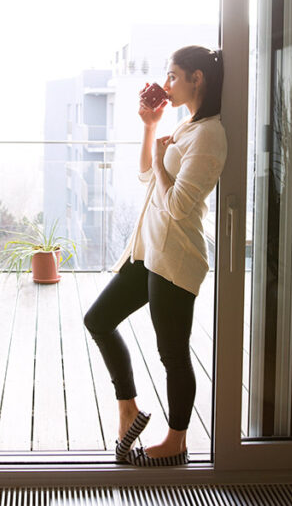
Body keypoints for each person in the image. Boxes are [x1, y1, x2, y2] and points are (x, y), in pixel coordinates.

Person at [83, 45, 227, 467]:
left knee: (172, 352)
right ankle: (127, 408)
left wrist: (164, 164)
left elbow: (180, 205)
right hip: (147, 250)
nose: (167, 84)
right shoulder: (186, 126)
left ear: (196, 78)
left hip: (176, 256)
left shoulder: (209, 134)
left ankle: (177, 441)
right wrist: (151, 128)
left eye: (173, 76)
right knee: (98, 319)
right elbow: (148, 174)